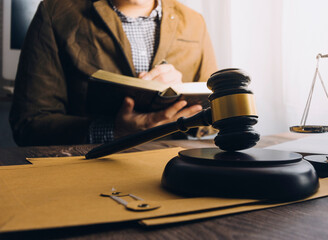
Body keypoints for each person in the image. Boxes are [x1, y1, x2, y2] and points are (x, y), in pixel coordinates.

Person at [9, 0, 217, 146]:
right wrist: (113, 130)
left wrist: (188, 120)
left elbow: (219, 116)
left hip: (172, 167)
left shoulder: (194, 22)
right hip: (86, 172)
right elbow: (28, 124)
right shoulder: (54, 13)